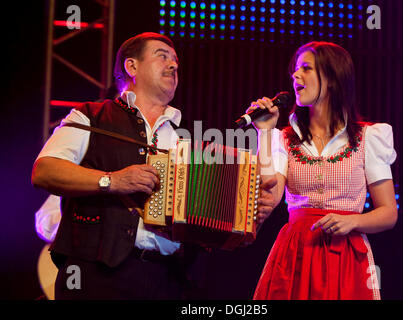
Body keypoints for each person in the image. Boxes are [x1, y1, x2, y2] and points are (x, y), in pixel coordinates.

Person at [32, 32, 275, 300]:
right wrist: (112, 180)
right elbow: (45, 171)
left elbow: (207, 222)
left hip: (168, 280)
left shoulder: (187, 140)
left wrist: (246, 212)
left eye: (176, 61)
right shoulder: (90, 115)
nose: (173, 65)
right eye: (163, 57)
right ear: (131, 66)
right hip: (97, 275)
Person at [248, 41, 398, 300]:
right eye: (296, 70)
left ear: (331, 78)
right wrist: (264, 133)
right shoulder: (284, 138)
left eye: (306, 69)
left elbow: (388, 213)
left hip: (346, 255)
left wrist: (353, 221)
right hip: (296, 253)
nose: (296, 75)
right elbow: (269, 197)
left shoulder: (368, 137)